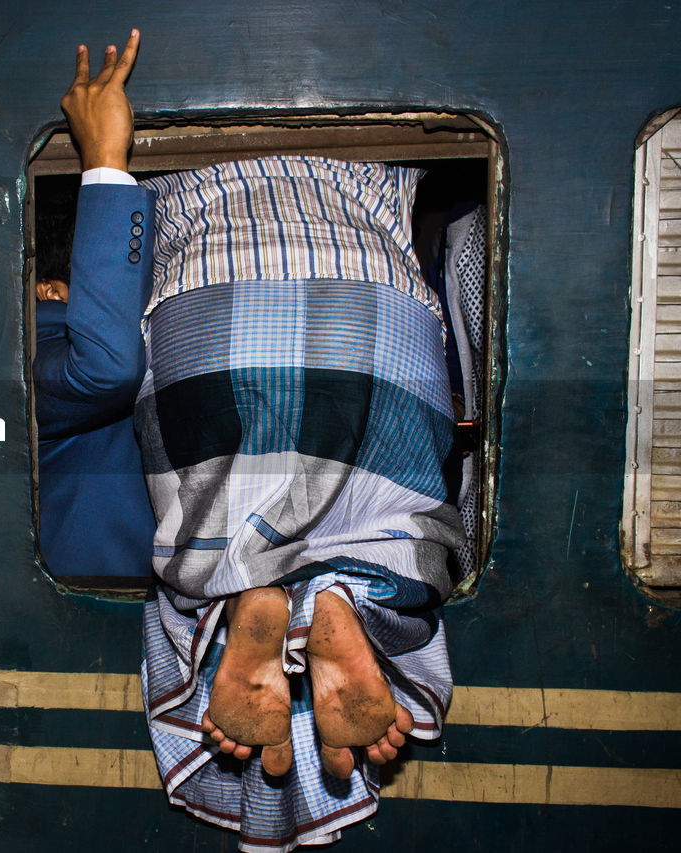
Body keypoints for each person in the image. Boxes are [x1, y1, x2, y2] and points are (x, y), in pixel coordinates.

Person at [133, 117, 464, 849]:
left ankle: (261, 590)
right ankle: (342, 595)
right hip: (376, 300)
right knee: (399, 527)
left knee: (204, 543)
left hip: (208, 296)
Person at [33, 29, 156, 584]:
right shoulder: (40, 351)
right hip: (93, 610)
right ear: (51, 292)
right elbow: (107, 366)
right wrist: (104, 158)